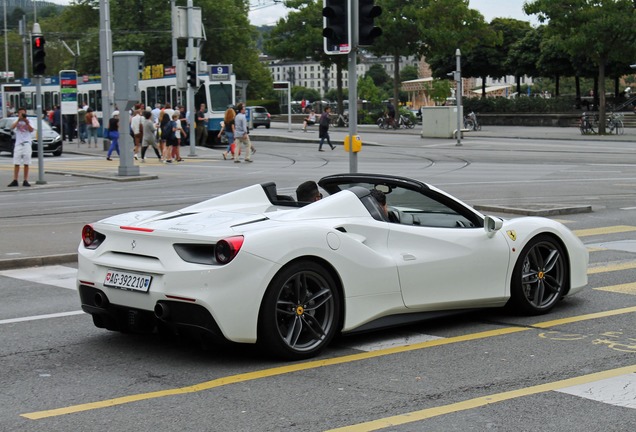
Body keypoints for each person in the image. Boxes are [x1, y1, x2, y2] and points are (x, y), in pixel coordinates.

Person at [7, 107, 34, 187]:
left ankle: (25, 180)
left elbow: (31, 130)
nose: (21, 115)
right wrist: (19, 120)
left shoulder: (29, 120)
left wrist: (26, 122)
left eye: (23, 113)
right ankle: (15, 179)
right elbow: (12, 127)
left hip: (26, 143)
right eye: (20, 113)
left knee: (26, 162)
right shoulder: (16, 120)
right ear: (18, 114)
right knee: (16, 162)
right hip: (18, 143)